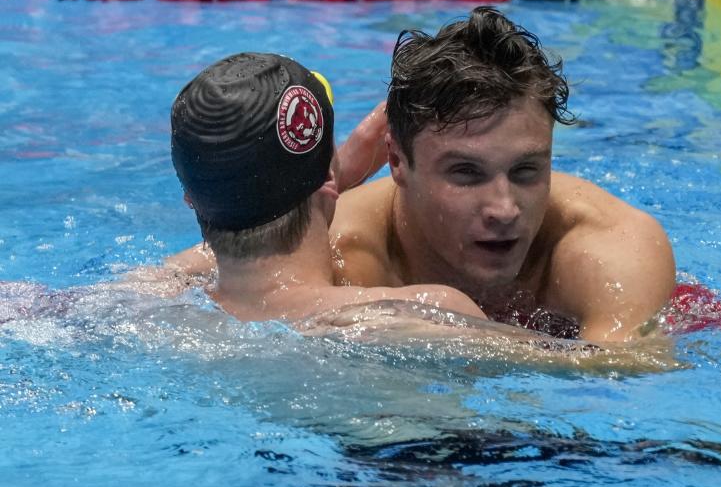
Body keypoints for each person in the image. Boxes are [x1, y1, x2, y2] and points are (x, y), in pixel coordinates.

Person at [329, 6, 676, 342]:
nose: (505, 208)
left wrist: (459, 336)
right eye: (466, 173)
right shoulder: (345, 253)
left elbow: (630, 369)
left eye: (526, 170)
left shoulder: (610, 244)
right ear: (397, 162)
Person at [168, 51, 485, 323]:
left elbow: (183, 264)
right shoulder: (429, 314)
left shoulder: (158, 304)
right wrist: (330, 177)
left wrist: (327, 177)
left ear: (189, 199)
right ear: (332, 177)